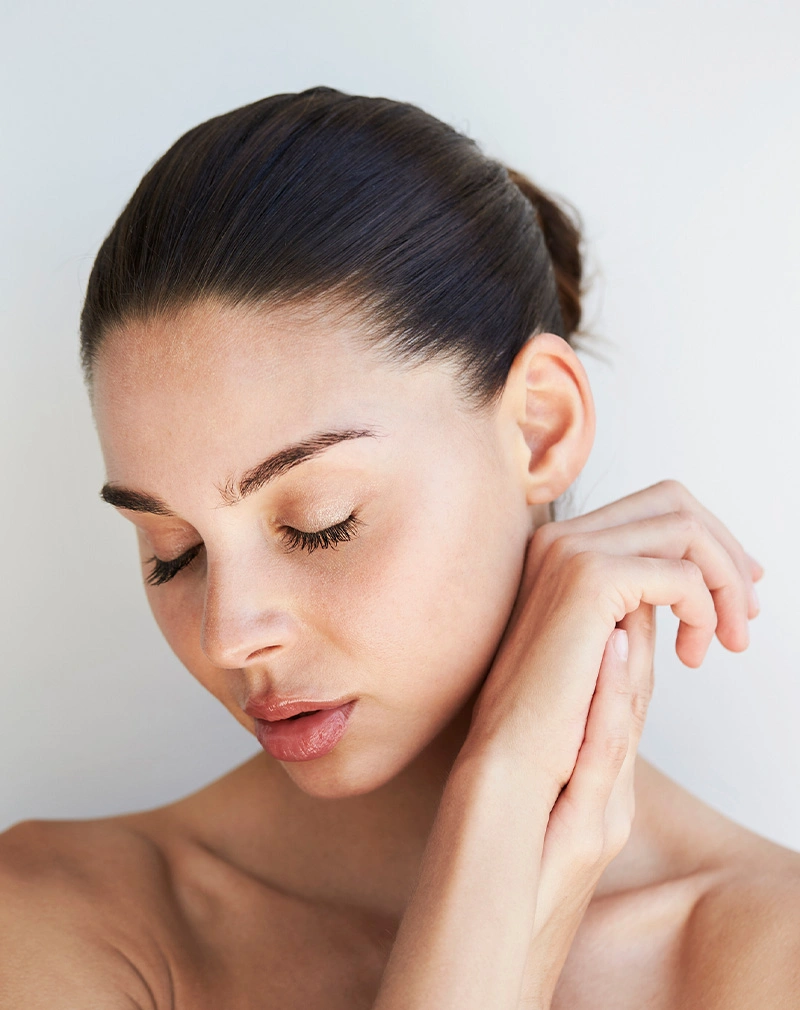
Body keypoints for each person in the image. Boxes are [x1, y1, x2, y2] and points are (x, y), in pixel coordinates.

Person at [1, 86, 797, 1010]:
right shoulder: (59, 919)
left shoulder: (766, 955)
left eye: (320, 520)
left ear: (540, 428)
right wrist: (496, 823)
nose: (228, 635)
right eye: (172, 551)